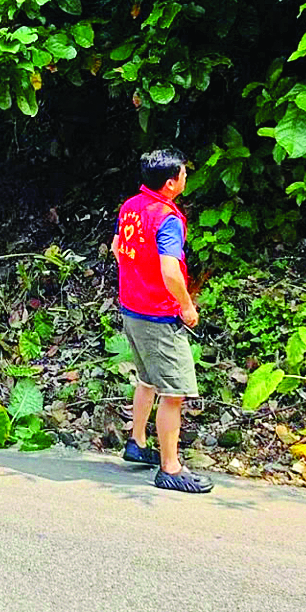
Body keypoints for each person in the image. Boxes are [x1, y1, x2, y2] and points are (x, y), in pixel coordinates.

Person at [111, 149, 212, 494]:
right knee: (173, 393)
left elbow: (117, 248)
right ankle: (170, 467)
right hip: (158, 314)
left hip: (131, 308)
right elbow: (170, 270)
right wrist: (186, 306)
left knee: (147, 379)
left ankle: (137, 442)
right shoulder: (167, 218)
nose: (186, 178)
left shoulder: (130, 207)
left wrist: (137, 277)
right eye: (183, 174)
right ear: (171, 184)